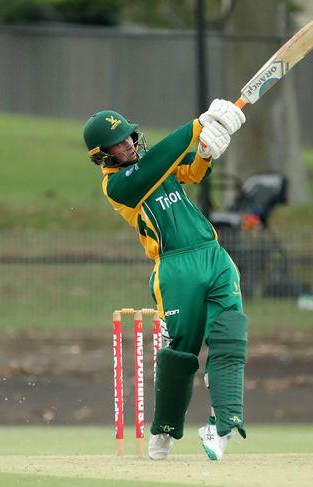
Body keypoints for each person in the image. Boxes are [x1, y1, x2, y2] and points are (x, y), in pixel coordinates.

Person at [82, 100, 247, 462]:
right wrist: (197, 126)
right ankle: (166, 431)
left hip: (212, 254)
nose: (128, 144)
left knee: (231, 333)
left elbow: (190, 172)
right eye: (119, 143)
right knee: (182, 353)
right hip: (175, 268)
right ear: (102, 156)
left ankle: (222, 426)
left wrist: (205, 153)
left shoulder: (151, 165)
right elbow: (160, 162)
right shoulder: (118, 186)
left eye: (129, 136)